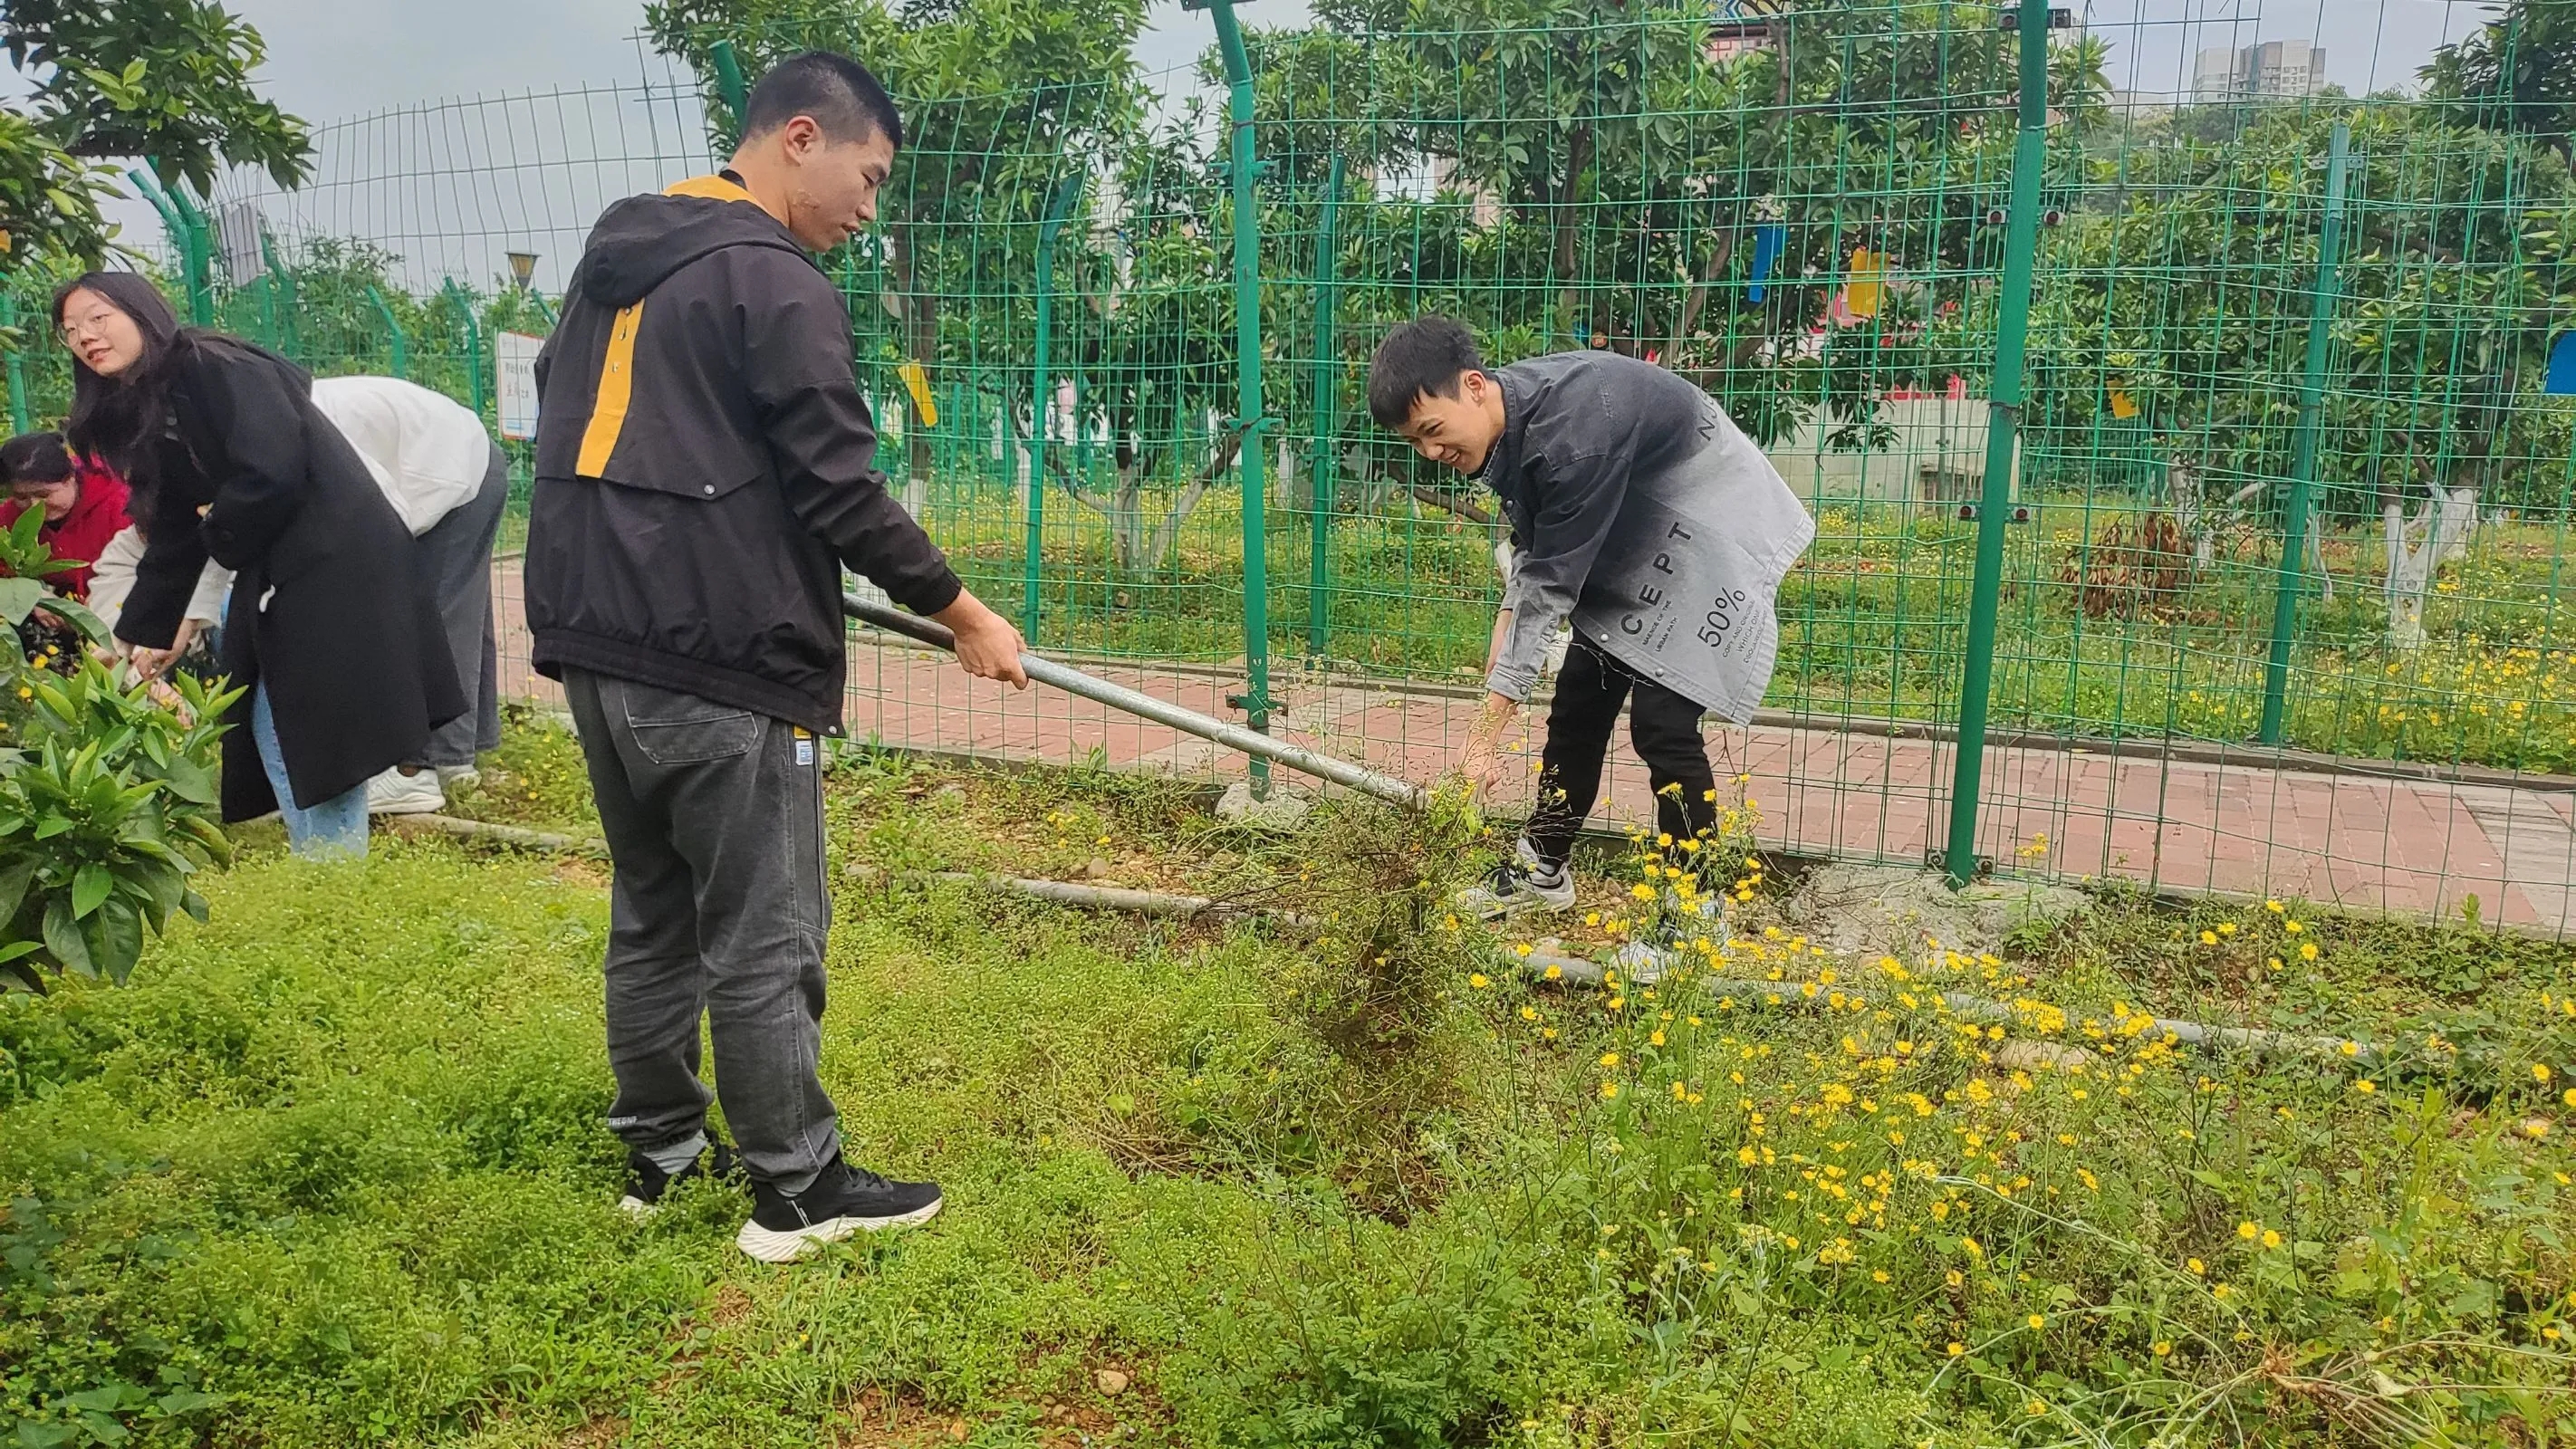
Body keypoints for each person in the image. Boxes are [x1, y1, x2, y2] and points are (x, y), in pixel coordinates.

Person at [526, 50, 1028, 1262]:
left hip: (598, 652)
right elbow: (837, 486)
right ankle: (796, 1192)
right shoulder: (774, 279)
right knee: (762, 933)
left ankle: (657, 1151)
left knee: (653, 915)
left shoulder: (618, 261)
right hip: (720, 658)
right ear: (800, 138)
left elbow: (584, 411)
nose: (870, 206)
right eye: (869, 174)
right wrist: (964, 613)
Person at [1366, 318, 1814, 923]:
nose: (1431, 454)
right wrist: (1507, 620)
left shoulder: (1573, 435)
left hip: (1711, 526)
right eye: (1414, 443)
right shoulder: (1513, 411)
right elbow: (1538, 534)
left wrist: (1482, 743)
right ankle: (1542, 867)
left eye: (1432, 432)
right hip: (1640, 522)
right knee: (1579, 701)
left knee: (1663, 726)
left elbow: (1552, 581)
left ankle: (1693, 911)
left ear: (1473, 386)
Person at [55, 271, 464, 859]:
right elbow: (175, 528)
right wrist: (130, 637)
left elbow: (271, 472)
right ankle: (330, 868)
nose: (86, 336)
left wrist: (216, 523)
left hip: (333, 556)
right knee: (285, 721)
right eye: (71, 330)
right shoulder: (155, 401)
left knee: (306, 726)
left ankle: (332, 874)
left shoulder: (214, 365)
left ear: (141, 310)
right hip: (285, 562)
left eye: (99, 317)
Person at [306, 376, 510, 814]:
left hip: (452, 470)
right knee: (461, 612)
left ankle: (414, 772)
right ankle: (461, 758)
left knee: (435, 616)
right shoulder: (286, 409)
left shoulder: (296, 427)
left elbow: (370, 518)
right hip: (460, 453)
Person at [1, 431, 130, 600]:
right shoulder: (9, 516)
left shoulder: (120, 505)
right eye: (21, 497)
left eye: (43, 495)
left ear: (70, 478)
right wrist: (31, 596)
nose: (33, 506)